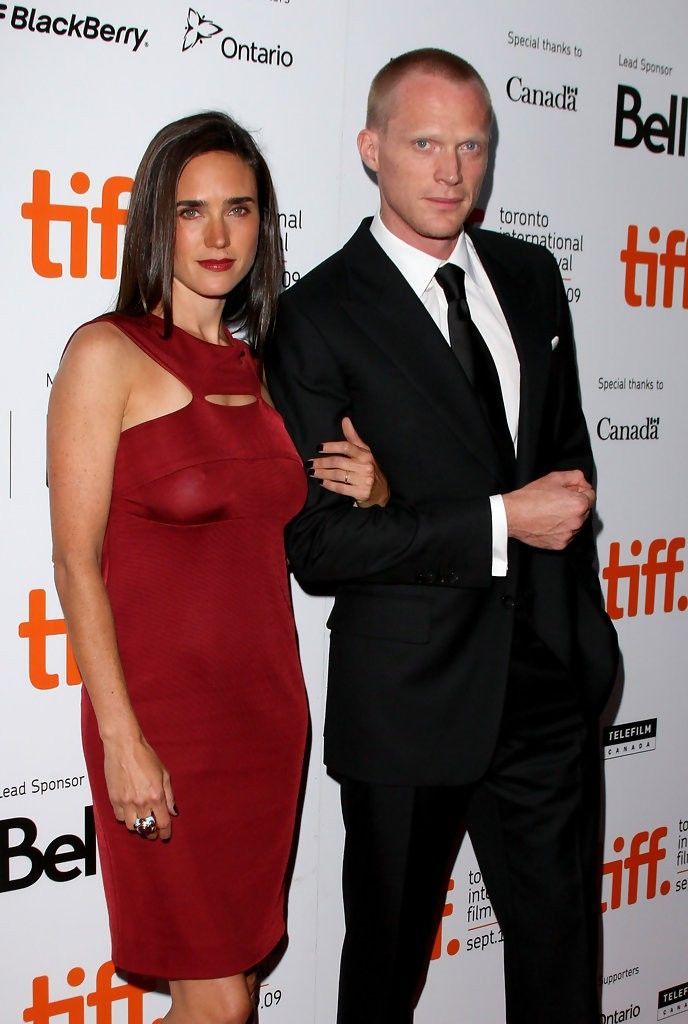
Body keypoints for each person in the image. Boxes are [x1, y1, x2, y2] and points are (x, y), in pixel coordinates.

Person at [265, 49, 619, 1024]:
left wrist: (586, 647)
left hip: (547, 684)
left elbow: (566, 474)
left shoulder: (530, 276)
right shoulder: (315, 316)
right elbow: (319, 547)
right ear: (371, 148)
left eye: (471, 146)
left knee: (562, 974)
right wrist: (499, 519)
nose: (451, 172)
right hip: (409, 700)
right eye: (425, 144)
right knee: (383, 981)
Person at [47, 111, 388, 1024]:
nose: (217, 234)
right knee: (222, 1003)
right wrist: (121, 739)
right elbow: (76, 564)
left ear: (261, 225)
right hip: (162, 725)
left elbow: (292, 534)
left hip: (266, 722)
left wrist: (376, 490)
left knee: (229, 993)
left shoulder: (264, 370)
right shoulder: (105, 354)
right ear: (155, 223)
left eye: (238, 209)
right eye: (190, 210)